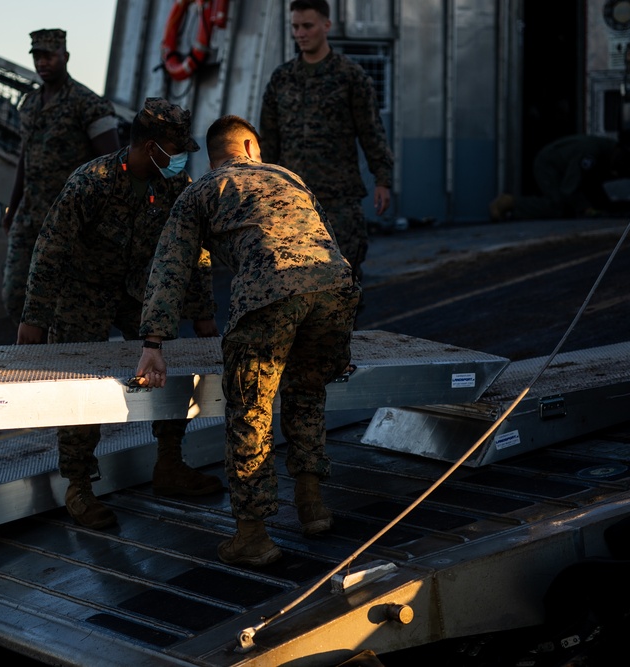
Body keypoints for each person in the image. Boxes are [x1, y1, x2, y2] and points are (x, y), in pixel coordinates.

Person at [135, 115, 359, 566]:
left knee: (251, 413)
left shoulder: (201, 190)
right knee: (307, 393)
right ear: (252, 148)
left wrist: (153, 342)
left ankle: (253, 537)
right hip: (336, 287)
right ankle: (312, 507)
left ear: (215, 156)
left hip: (269, 292)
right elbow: (329, 239)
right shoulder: (288, 176)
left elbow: (171, 268)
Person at [18, 98, 222, 529]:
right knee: (78, 385)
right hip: (81, 292)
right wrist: (34, 317)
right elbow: (50, 249)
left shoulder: (175, 184)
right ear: (151, 147)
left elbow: (192, 251)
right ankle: (78, 486)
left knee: (166, 368)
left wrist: (202, 312)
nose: (182, 156)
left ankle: (169, 463)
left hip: (138, 293)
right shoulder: (91, 182)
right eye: (175, 147)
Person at [259, 0, 393, 283]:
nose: (300, 33)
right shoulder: (282, 79)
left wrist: (382, 179)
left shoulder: (350, 77)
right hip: (291, 200)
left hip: (339, 200)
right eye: (295, 26)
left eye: (307, 26)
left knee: (344, 277)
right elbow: (269, 140)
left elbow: (371, 131)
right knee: (291, 280)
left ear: (326, 26)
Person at [0, 28, 122, 324]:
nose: (42, 62)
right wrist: (12, 207)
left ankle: (54, 355)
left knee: (65, 302)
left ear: (65, 56)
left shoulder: (88, 103)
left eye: (49, 56)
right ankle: (34, 352)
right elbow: (24, 158)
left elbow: (111, 164)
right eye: (37, 56)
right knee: (15, 295)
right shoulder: (29, 104)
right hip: (29, 216)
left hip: (68, 219)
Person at [489, 134, 621, 221]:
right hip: (548, 165)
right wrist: (586, 208)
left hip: (557, 165)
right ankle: (510, 203)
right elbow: (569, 188)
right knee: (556, 206)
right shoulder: (591, 152)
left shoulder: (602, 149)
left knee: (561, 207)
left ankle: (514, 209)